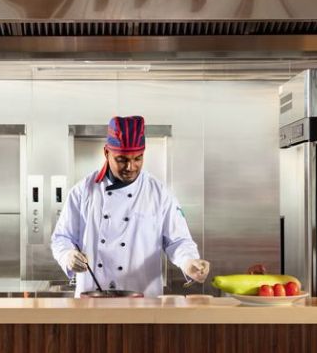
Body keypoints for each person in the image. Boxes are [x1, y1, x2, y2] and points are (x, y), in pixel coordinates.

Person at [51, 115, 210, 297]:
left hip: (143, 300)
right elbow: (62, 238)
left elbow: (178, 241)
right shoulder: (83, 191)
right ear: (106, 153)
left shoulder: (159, 193)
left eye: (138, 158)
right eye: (122, 159)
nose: (130, 167)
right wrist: (68, 255)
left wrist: (189, 262)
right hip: (93, 299)